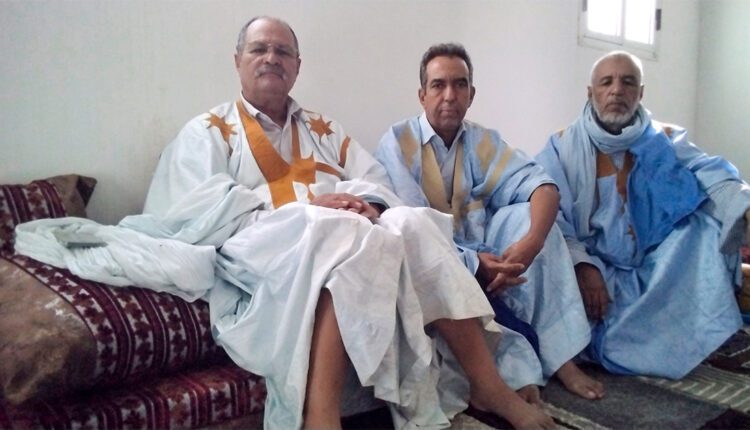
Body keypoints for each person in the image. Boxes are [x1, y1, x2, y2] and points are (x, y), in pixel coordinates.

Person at [141, 17, 555, 429]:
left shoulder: (323, 130)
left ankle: (489, 386)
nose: (271, 58)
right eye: (259, 49)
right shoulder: (209, 132)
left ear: (297, 66)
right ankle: (320, 416)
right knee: (339, 230)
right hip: (261, 241)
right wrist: (310, 206)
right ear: (237, 61)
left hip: (341, 234)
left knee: (410, 221)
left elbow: (374, 180)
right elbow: (194, 207)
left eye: (283, 51)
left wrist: (366, 204)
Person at [376, 43, 604, 401]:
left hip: (490, 257)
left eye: (460, 84)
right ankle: (515, 373)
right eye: (438, 85)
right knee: (422, 238)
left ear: (472, 94)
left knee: (531, 219)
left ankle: (561, 358)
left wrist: (529, 245)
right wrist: (473, 262)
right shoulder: (397, 142)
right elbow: (413, 225)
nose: (449, 96)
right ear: (422, 95)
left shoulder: (482, 141)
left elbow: (543, 186)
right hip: (437, 263)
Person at [535, 50, 750, 378]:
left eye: (627, 82)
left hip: (651, 264)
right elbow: (550, 215)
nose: (616, 91)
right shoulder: (561, 146)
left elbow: (712, 175)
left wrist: (744, 206)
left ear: (641, 93)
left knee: (704, 227)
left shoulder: (665, 139)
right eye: (606, 82)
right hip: (594, 267)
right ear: (590, 92)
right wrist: (583, 265)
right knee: (542, 252)